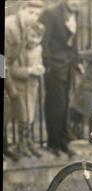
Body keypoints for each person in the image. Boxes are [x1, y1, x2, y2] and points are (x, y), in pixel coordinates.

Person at [39, 0, 81, 157]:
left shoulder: (75, 13)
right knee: (55, 104)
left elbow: (73, 41)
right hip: (54, 67)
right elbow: (44, 41)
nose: (77, 2)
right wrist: (48, 64)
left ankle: (63, 142)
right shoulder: (50, 13)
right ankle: (53, 143)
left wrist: (76, 61)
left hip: (68, 66)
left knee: (64, 104)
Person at [4, 0, 44, 161]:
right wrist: (8, 85)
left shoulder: (25, 27)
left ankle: (6, 148)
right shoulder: (9, 27)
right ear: (21, 9)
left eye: (36, 14)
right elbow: (1, 59)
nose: (33, 17)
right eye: (30, 12)